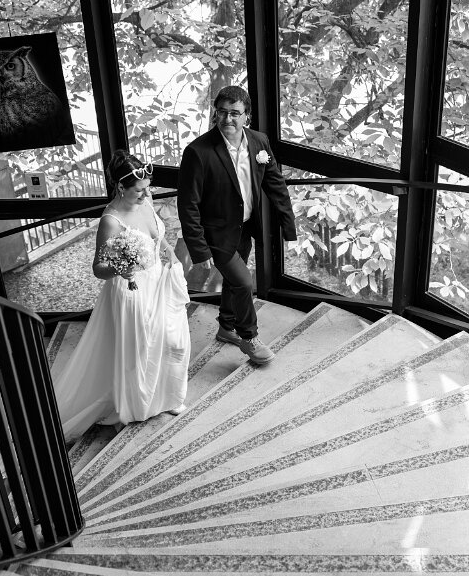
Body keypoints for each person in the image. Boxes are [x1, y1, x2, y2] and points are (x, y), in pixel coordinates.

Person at [55, 150, 190, 441]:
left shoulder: (146, 201)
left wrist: (168, 250)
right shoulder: (111, 221)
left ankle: (166, 396)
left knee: (171, 339)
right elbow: (98, 268)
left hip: (159, 282)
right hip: (132, 290)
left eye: (147, 188)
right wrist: (120, 268)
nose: (146, 195)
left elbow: (156, 236)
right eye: (139, 190)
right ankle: (138, 405)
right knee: (140, 349)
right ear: (121, 187)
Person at [177, 86, 297, 365]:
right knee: (243, 282)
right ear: (215, 113)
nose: (227, 119)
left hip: (245, 228)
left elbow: (275, 184)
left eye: (234, 113)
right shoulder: (198, 152)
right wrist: (199, 249)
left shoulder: (259, 141)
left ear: (247, 116)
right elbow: (188, 205)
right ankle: (249, 337)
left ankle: (226, 326)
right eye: (222, 112)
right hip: (216, 233)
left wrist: (288, 226)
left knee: (234, 282)